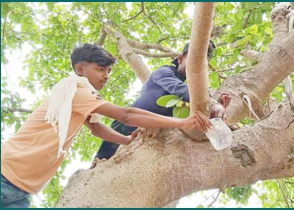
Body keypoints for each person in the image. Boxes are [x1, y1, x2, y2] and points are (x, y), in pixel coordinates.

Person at [0, 43, 212, 208]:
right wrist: (182, 121)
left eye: (109, 71)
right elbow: (126, 115)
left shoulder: (76, 97)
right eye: (101, 69)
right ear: (80, 69)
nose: (106, 76)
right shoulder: (76, 89)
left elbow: (97, 129)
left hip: (23, 190)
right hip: (6, 174)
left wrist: (127, 141)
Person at [95, 40, 231, 161]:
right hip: (123, 131)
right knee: (100, 169)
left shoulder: (185, 96)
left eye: (202, 64)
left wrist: (218, 105)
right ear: (181, 59)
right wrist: (213, 103)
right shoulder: (164, 72)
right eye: (194, 59)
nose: (197, 65)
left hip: (146, 142)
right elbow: (181, 89)